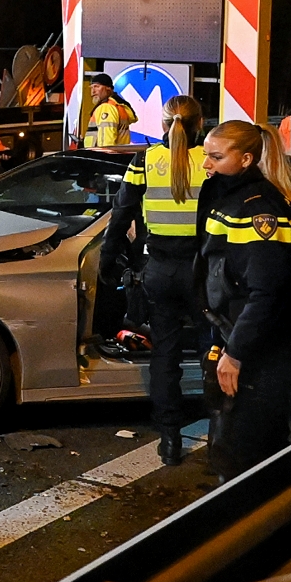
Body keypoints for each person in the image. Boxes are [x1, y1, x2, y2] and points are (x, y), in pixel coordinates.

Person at [196, 120, 291, 481]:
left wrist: (236, 353)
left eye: (215, 157)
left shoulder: (260, 209)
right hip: (244, 341)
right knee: (240, 450)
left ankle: (253, 528)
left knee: (244, 459)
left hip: (261, 351)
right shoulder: (231, 197)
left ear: (246, 158)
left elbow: (267, 293)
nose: (206, 165)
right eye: (206, 155)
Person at [105, 95, 208, 465]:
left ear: (163, 124)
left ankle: (170, 439)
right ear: (200, 123)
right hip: (201, 271)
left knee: (166, 355)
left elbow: (122, 213)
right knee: (211, 350)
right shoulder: (209, 161)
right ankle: (224, 432)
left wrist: (107, 258)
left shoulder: (145, 160)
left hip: (160, 270)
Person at [81, 72, 136, 148]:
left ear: (108, 89)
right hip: (118, 155)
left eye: (97, 87)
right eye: (92, 87)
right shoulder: (117, 105)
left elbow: (106, 142)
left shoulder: (106, 107)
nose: (93, 92)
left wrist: (103, 155)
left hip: (102, 156)